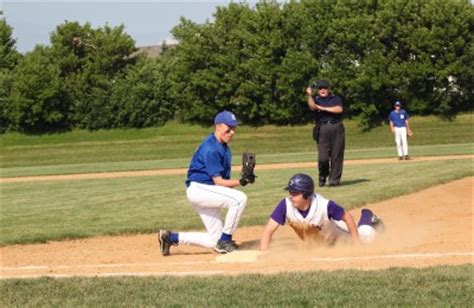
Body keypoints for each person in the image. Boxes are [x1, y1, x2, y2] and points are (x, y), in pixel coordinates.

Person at [158, 110, 253, 256]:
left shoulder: (222, 147)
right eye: (229, 128)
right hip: (200, 190)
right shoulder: (211, 148)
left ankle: (170, 237)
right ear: (218, 126)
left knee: (214, 240)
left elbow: (222, 185)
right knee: (240, 199)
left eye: (234, 128)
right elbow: (218, 182)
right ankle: (226, 240)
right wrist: (241, 182)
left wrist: (243, 181)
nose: (232, 132)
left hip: (206, 190)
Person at [260, 173, 383, 250]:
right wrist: (264, 250)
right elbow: (268, 230)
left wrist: (357, 244)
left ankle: (368, 215)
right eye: (290, 192)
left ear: (306, 194)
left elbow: (347, 217)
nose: (291, 196)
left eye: (295, 193)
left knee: (366, 236)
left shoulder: (324, 205)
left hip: (338, 235)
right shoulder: (285, 205)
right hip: (323, 243)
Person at [306, 80, 345, 187]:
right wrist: (309, 95)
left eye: (325, 88)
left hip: (336, 127)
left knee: (336, 155)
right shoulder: (316, 99)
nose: (322, 90)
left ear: (328, 89)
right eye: (320, 88)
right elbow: (312, 107)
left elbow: (339, 109)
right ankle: (323, 175)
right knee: (322, 158)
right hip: (322, 128)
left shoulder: (335, 98)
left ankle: (334, 181)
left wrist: (322, 108)